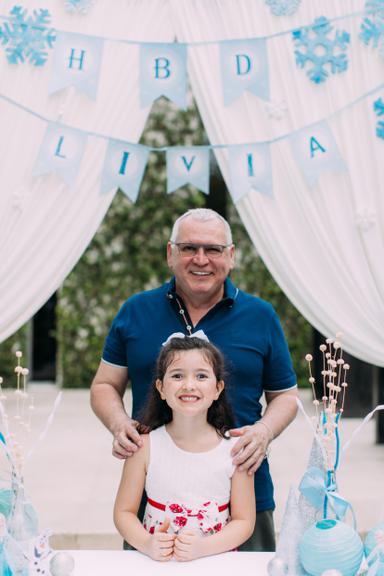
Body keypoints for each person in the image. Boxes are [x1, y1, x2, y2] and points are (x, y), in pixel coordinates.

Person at [91, 207, 298, 551]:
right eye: (189, 248)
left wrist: (263, 432)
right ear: (170, 254)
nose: (201, 259)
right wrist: (118, 424)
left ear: (230, 256)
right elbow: (104, 386)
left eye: (213, 249)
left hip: (245, 496)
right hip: (156, 501)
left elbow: (286, 397)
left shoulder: (261, 316)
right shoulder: (135, 311)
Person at [114, 336, 255, 561]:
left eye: (201, 376)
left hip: (215, 561)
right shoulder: (144, 446)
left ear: (218, 388)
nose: (189, 385)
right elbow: (123, 513)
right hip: (158, 562)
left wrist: (203, 548)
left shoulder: (236, 450)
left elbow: (244, 521)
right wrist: (147, 543)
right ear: (160, 387)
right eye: (178, 375)